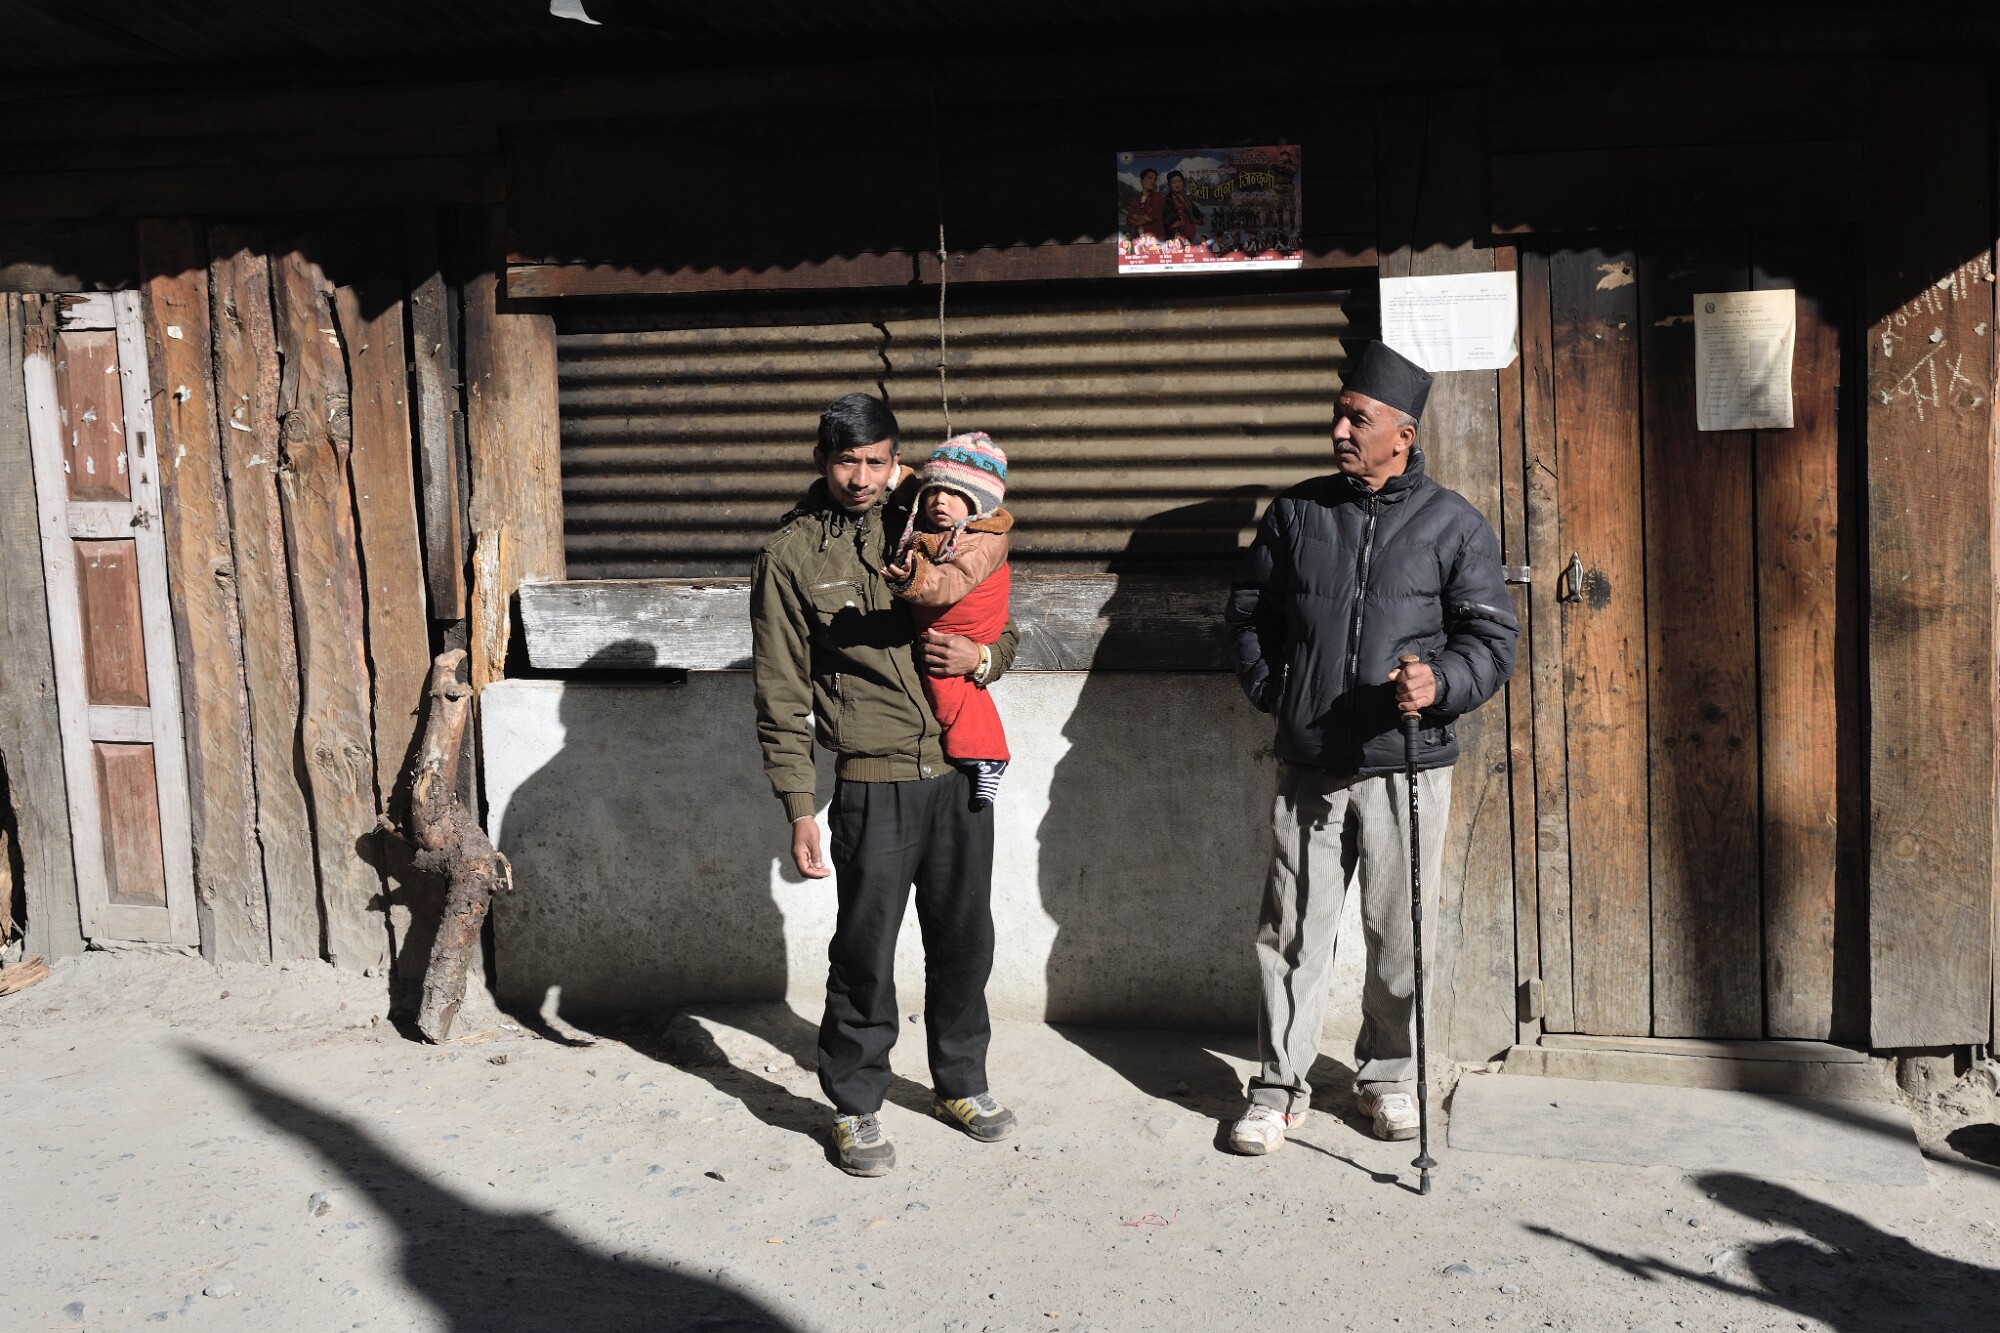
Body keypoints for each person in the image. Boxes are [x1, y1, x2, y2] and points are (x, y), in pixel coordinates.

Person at [1221, 341, 1518, 1154]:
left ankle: (1387, 1076)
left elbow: (1492, 638)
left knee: (1400, 937)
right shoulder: (1297, 514)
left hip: (1406, 763)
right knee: (1292, 930)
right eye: (1338, 415)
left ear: (1403, 434)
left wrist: (1441, 681)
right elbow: (1250, 614)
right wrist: (1278, 692)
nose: (1339, 431)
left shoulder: (1453, 524)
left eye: (1358, 418)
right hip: (1310, 762)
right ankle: (1278, 1088)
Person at [751, 393, 1021, 1177]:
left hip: (960, 767)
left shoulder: (940, 518)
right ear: (822, 460)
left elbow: (1003, 624)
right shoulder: (792, 556)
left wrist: (983, 661)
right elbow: (779, 692)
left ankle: (960, 1081)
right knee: (865, 949)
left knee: (965, 938)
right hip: (873, 778)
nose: (863, 477)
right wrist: (799, 806)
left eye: (877, 461)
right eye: (847, 461)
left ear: (898, 459)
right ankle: (855, 1101)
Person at [883, 432, 1014, 810]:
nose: (940, 500)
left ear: (979, 503)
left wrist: (912, 578)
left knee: (946, 685)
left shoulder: (983, 541)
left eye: (955, 494)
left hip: (967, 623)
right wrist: (893, 476)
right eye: (934, 491)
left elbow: (951, 583)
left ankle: (988, 754)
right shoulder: (942, 517)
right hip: (944, 622)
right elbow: (915, 491)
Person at [1163, 169, 1205, 243]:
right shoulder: (1167, 199)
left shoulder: (1185, 198)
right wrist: (1176, 223)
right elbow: (1169, 219)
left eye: (1179, 181)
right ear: (1169, 185)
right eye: (1174, 182)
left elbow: (1195, 211)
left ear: (1183, 182)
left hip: (1190, 228)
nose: (1177, 184)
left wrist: (1200, 218)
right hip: (1177, 232)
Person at [1125, 167, 1165, 239]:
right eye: (1150, 178)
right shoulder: (1136, 199)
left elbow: (1150, 218)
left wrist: (1137, 217)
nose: (1153, 181)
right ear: (1141, 181)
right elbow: (1128, 220)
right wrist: (1142, 219)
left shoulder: (1158, 198)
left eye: (1155, 179)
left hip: (1155, 239)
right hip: (1138, 239)